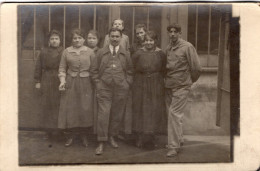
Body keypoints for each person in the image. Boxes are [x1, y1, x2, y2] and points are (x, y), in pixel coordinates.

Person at [90, 27, 133, 155]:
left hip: (120, 88)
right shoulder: (101, 52)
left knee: (117, 114)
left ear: (121, 38)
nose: (114, 39)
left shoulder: (126, 53)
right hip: (104, 88)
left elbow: (130, 71)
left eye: (117, 36)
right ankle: (101, 140)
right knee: (104, 114)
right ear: (108, 37)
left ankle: (112, 136)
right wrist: (98, 83)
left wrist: (127, 83)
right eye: (112, 36)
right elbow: (94, 70)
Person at [165, 23, 201, 157]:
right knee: (173, 115)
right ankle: (179, 139)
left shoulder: (187, 47)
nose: (173, 34)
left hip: (181, 86)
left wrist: (188, 82)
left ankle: (173, 146)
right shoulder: (169, 47)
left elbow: (196, 68)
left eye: (175, 32)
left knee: (174, 115)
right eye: (170, 32)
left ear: (180, 33)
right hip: (169, 86)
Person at [58, 29, 95, 148]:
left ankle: (84, 136)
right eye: (75, 38)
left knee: (85, 109)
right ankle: (71, 135)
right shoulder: (66, 52)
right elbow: (62, 69)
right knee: (71, 109)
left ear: (84, 39)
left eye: (79, 38)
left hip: (86, 83)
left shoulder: (90, 52)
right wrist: (62, 81)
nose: (77, 40)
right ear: (71, 40)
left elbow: (94, 70)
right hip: (71, 83)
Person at [132, 31, 166, 148]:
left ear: (155, 41)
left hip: (156, 84)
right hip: (140, 84)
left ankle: (153, 137)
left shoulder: (161, 54)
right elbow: (133, 68)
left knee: (154, 109)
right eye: (146, 40)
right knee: (141, 109)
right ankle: (140, 137)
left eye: (151, 40)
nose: (148, 43)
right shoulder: (138, 54)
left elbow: (163, 69)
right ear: (143, 41)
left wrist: (157, 80)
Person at [34, 30, 63, 141]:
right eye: (52, 39)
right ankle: (48, 131)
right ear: (49, 41)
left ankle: (59, 131)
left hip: (59, 79)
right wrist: (37, 81)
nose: (54, 41)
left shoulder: (63, 51)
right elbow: (38, 67)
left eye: (56, 39)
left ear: (60, 40)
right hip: (46, 79)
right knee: (47, 105)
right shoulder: (44, 52)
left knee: (58, 105)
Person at [86, 30, 100, 134]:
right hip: (85, 81)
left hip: (95, 81)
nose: (91, 40)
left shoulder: (100, 51)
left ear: (98, 40)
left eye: (94, 38)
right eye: (89, 38)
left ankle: (95, 131)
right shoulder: (83, 50)